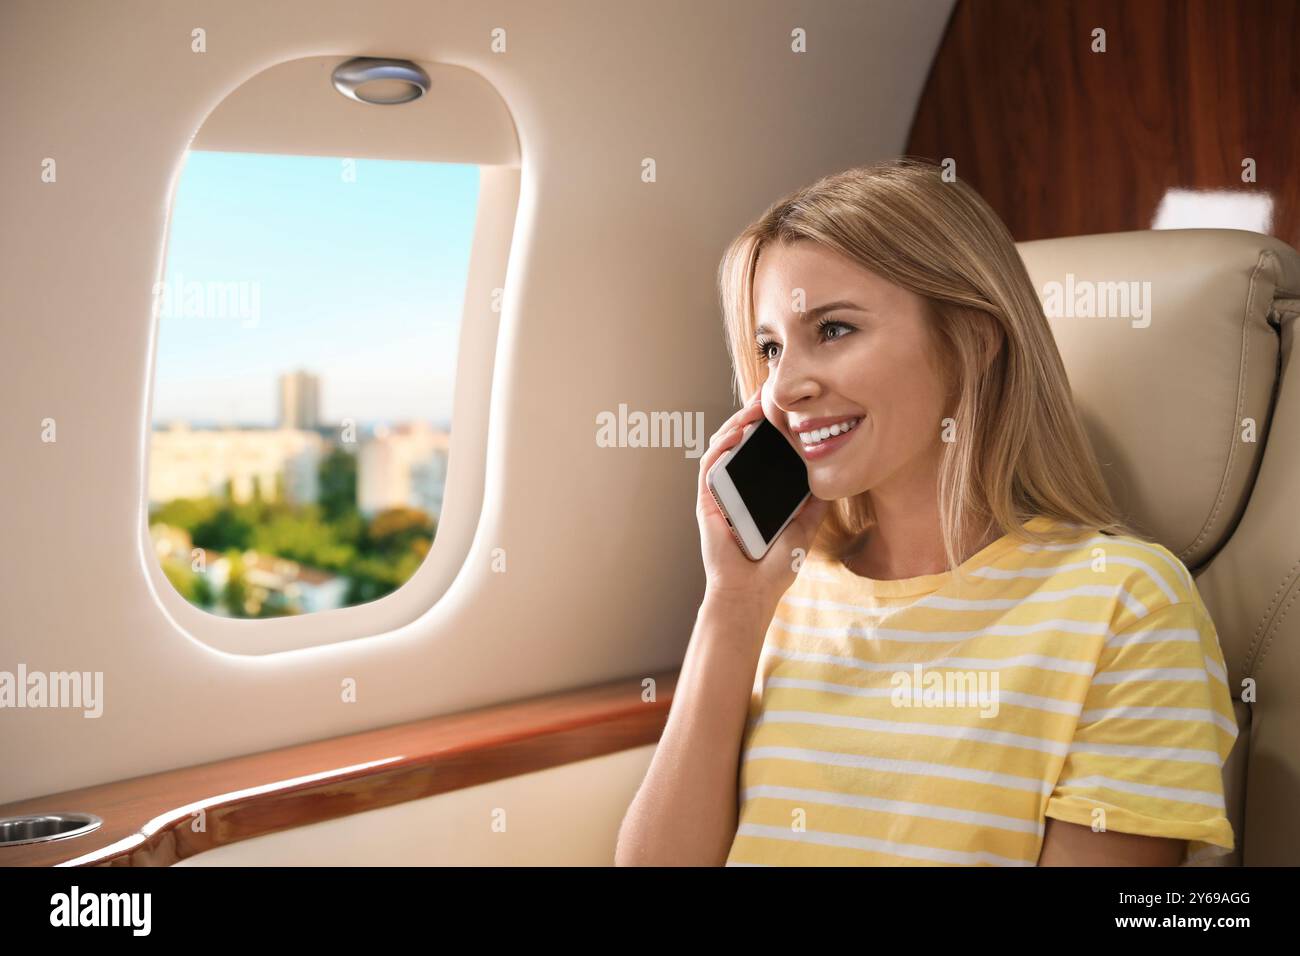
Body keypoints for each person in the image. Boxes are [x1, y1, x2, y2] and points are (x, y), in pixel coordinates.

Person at [615, 157, 1237, 866]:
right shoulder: (774, 596)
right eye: (769, 347)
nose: (784, 388)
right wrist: (732, 603)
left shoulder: (1123, 604)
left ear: (972, 339)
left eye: (835, 330)